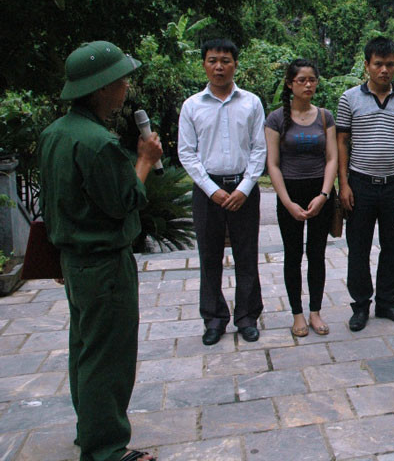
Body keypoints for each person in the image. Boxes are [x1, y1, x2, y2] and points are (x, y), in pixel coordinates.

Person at [38, 41, 162, 461]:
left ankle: (90, 429)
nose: (126, 88)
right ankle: (106, 449)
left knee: (86, 348)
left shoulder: (55, 134)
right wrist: (145, 160)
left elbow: (53, 201)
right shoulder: (97, 143)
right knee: (109, 356)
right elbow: (124, 202)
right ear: (102, 88)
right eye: (121, 81)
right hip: (105, 264)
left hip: (76, 262)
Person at [178, 39, 266, 345]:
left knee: (247, 254)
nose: (219, 67)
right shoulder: (192, 106)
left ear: (235, 65)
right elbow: (187, 153)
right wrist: (211, 189)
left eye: (225, 61)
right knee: (209, 256)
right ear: (204, 64)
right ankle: (214, 319)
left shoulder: (251, 102)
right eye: (213, 60)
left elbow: (259, 149)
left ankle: (247, 317)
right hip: (207, 192)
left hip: (244, 189)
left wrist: (245, 187)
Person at [337, 36, 394, 331]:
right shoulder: (349, 98)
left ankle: (387, 303)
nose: (384, 70)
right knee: (358, 248)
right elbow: (342, 142)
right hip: (360, 184)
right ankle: (360, 306)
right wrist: (344, 184)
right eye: (378, 64)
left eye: (390, 64)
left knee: (393, 247)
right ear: (367, 65)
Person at [266, 59, 337, 336]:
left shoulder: (325, 116)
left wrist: (324, 195)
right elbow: (273, 164)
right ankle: (297, 314)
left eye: (312, 80)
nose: (308, 85)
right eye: (301, 80)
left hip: (319, 194)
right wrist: (287, 202)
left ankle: (315, 312)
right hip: (290, 194)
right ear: (289, 84)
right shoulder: (276, 119)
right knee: (293, 255)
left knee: (317, 254)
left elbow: (331, 158)